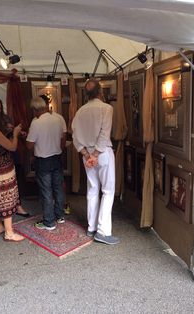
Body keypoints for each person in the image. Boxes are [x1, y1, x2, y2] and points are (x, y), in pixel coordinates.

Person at [72, 78, 119, 245]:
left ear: (86, 94)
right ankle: (103, 231)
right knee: (107, 191)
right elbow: (104, 133)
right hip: (102, 153)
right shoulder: (107, 108)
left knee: (92, 189)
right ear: (100, 92)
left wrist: (87, 154)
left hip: (87, 155)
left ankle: (91, 227)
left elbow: (75, 136)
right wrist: (96, 154)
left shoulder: (80, 111)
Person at [0, 96, 24, 242]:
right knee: (5, 198)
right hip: (2, 171)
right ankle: (9, 232)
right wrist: (14, 133)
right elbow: (12, 147)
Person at [26, 97, 65, 230]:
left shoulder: (36, 123)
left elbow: (29, 145)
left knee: (46, 191)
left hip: (43, 161)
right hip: (57, 158)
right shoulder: (57, 119)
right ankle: (60, 216)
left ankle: (49, 222)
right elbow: (61, 139)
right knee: (58, 188)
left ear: (36, 109)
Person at [0, 98, 31, 217]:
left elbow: (12, 137)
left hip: (12, 153)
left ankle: (18, 205)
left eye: (0, 108)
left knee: (17, 178)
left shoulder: (5, 117)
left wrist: (18, 133)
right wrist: (11, 132)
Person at [39, 94, 71, 215]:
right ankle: (57, 211)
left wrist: (60, 150)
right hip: (50, 155)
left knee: (54, 184)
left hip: (51, 155)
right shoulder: (56, 118)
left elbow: (63, 137)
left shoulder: (57, 118)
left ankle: (59, 207)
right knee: (53, 184)